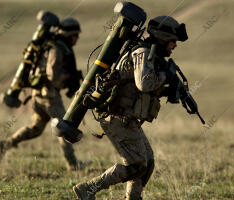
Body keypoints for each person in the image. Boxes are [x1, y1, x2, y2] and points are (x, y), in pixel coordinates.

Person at [73, 15, 188, 199]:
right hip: (116, 116)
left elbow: (142, 89)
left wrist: (170, 89)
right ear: (162, 37)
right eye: (173, 40)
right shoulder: (142, 52)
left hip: (126, 117)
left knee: (147, 163)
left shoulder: (151, 55)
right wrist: (167, 76)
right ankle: (89, 188)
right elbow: (144, 84)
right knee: (137, 165)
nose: (174, 45)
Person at [0, 17, 90, 171]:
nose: (77, 38)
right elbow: (52, 74)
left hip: (40, 95)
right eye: (75, 35)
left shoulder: (57, 45)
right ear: (68, 34)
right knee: (64, 126)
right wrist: (67, 78)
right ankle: (72, 164)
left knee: (36, 129)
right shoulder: (57, 48)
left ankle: (6, 144)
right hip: (49, 96)